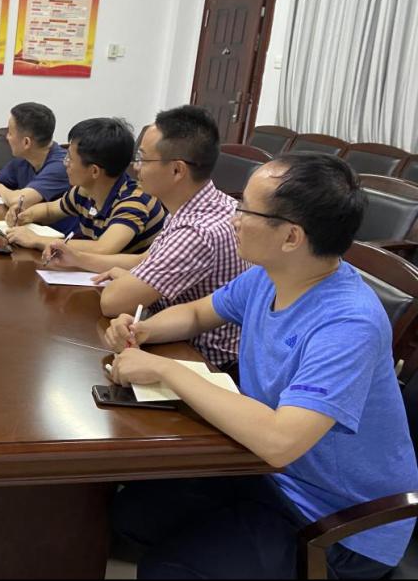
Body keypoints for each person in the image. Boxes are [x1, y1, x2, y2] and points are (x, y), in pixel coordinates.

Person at [104, 153, 418, 579]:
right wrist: (143, 330)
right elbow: (197, 313)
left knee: (169, 570)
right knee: (131, 514)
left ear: (291, 236)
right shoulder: (270, 275)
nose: (233, 218)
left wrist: (166, 371)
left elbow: (279, 441)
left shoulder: (348, 323)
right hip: (267, 472)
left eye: (245, 210)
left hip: (336, 520)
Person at [43, 105, 247, 370]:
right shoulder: (202, 203)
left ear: (177, 170)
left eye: (143, 159)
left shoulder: (197, 231)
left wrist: (131, 282)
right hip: (169, 336)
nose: (136, 167)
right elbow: (146, 259)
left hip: (200, 360)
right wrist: (78, 258)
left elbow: (112, 302)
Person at [4, 117, 165, 254]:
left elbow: (103, 248)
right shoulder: (84, 191)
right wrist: (26, 215)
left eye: (70, 159)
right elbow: (50, 210)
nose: (65, 163)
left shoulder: (133, 201)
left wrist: (36, 240)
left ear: (94, 171)